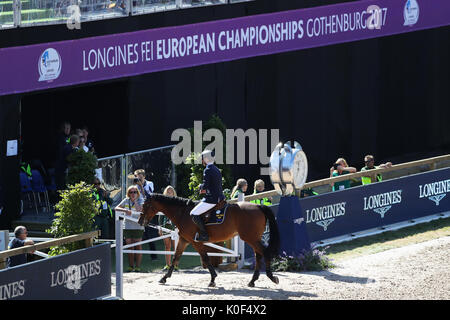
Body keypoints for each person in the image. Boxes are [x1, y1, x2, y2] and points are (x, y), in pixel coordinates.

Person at [190, 149, 225, 242]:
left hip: (212, 199)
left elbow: (205, 184)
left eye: (202, 159)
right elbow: (213, 185)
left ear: (205, 158)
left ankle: (204, 234)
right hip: (219, 197)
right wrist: (205, 190)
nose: (202, 161)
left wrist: (200, 187)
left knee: (193, 214)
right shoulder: (216, 169)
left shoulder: (208, 169)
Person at [114, 185, 145, 272]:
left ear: (137, 193)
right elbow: (116, 208)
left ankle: (138, 266)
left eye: (135, 192)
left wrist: (135, 202)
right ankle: (131, 266)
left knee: (138, 246)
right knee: (129, 247)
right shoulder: (126, 200)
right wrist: (125, 211)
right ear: (128, 193)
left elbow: (140, 211)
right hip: (127, 226)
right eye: (131, 192)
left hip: (138, 226)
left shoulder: (140, 200)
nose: (133, 194)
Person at [134, 169, 158, 260]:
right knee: (136, 233)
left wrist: (141, 187)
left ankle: (153, 256)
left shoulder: (149, 184)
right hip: (137, 210)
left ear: (144, 176)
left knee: (149, 233)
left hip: (147, 210)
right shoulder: (134, 185)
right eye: (137, 177)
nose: (138, 179)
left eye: (140, 177)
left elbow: (149, 196)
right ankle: (135, 256)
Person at [159, 185, 178, 270]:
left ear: (174, 193)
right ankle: (168, 264)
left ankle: (175, 265)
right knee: (167, 246)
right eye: (168, 191)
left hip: (175, 227)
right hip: (165, 226)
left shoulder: (177, 202)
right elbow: (160, 217)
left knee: (175, 246)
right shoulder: (162, 203)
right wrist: (160, 228)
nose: (169, 193)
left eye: (171, 191)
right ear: (165, 193)